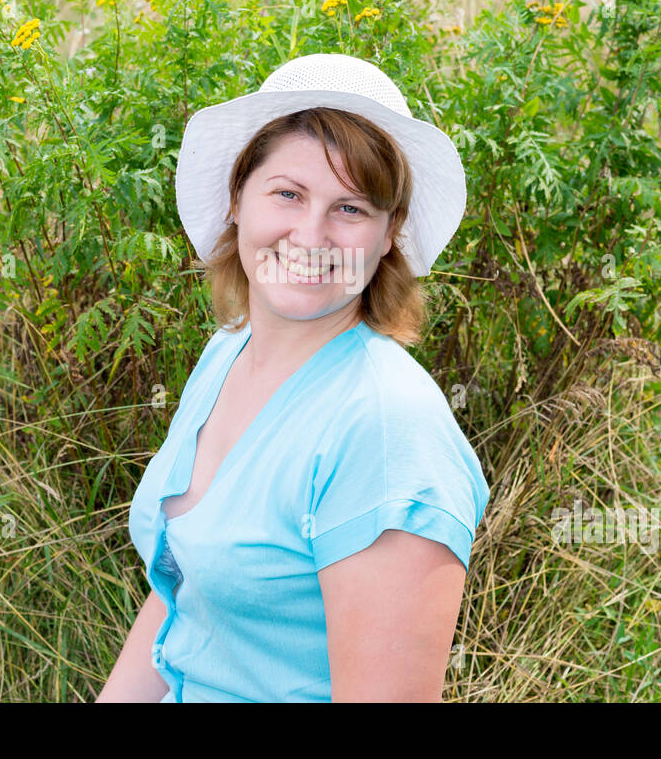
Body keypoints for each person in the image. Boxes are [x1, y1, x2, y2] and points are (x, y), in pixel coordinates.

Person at [95, 53, 489, 702]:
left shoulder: (386, 428)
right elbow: (182, 603)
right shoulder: (227, 353)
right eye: (288, 193)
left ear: (391, 232)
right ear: (236, 200)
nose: (311, 234)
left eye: (351, 209)